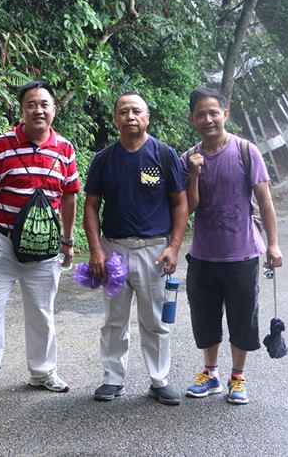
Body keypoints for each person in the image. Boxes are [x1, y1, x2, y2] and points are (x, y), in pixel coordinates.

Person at [0, 81, 81, 408]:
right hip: (2, 243)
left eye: (44, 104)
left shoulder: (65, 149)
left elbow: (69, 197)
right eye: (31, 104)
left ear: (54, 109)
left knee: (42, 313)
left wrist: (67, 240)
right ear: (21, 109)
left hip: (45, 248)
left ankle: (43, 372)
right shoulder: (1, 146)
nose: (38, 110)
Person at [83, 92, 188, 405]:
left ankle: (159, 380)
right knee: (114, 320)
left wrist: (174, 247)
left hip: (154, 251)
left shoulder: (164, 155)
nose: (130, 116)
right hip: (113, 250)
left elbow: (180, 204)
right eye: (123, 111)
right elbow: (91, 206)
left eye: (136, 111)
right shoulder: (104, 159)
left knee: (155, 321)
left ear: (147, 118)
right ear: (115, 119)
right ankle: (113, 379)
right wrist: (96, 250)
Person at [181, 87, 283, 404]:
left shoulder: (245, 151)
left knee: (242, 318)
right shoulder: (189, 158)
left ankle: (237, 377)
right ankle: (210, 373)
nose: (208, 119)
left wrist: (273, 245)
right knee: (205, 318)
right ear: (192, 119)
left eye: (214, 112)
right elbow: (188, 207)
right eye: (201, 114)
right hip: (203, 255)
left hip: (242, 253)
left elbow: (264, 200)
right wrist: (194, 174)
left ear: (225, 114)